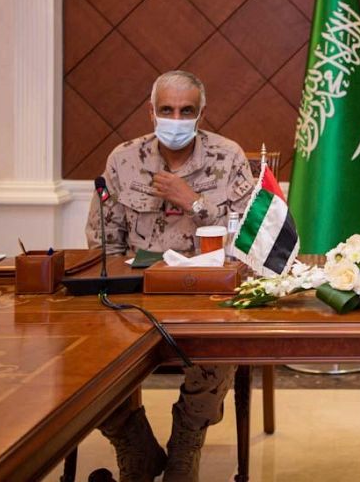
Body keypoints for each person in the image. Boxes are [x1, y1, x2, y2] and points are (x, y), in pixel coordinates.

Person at [85, 71, 254, 482]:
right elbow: (102, 241)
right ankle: (133, 444)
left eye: (186, 110)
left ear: (201, 114)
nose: (175, 119)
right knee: (85, 360)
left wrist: (195, 203)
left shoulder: (228, 156)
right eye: (167, 110)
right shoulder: (123, 159)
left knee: (221, 346)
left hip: (205, 296)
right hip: (136, 296)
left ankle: (185, 447)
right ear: (151, 112)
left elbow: (250, 239)